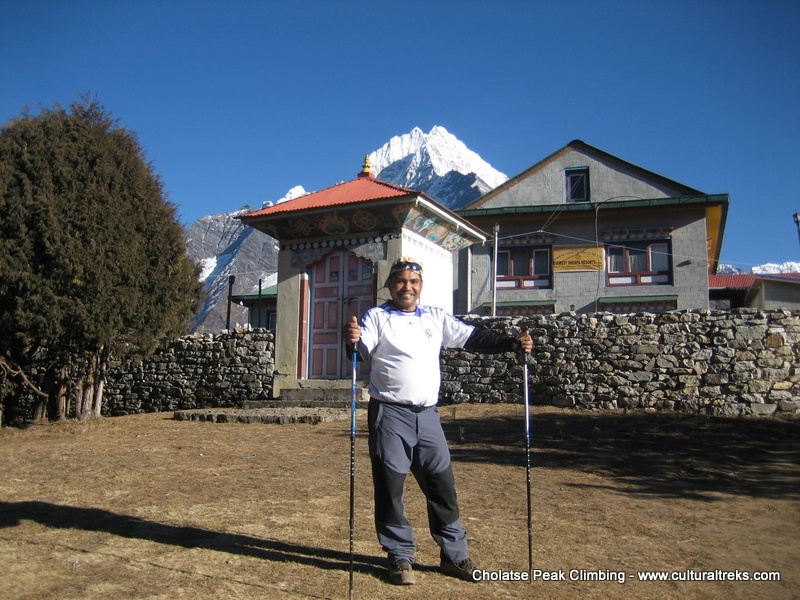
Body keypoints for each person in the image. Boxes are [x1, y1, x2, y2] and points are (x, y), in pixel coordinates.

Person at [344, 257, 532, 585]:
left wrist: (511, 343)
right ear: (390, 285)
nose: (407, 287)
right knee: (391, 487)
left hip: (428, 416)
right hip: (390, 414)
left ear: (420, 286)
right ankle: (400, 557)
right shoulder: (377, 316)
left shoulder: (434, 316)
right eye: (400, 281)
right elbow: (361, 352)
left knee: (442, 485)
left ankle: (454, 556)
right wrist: (353, 343)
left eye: (413, 282)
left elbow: (472, 338)